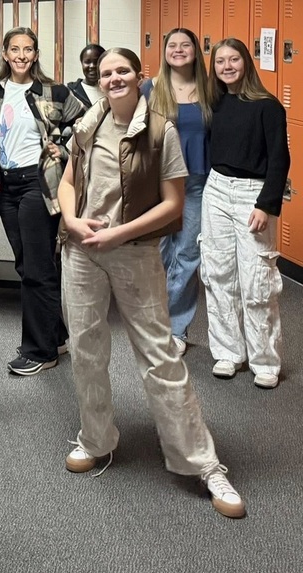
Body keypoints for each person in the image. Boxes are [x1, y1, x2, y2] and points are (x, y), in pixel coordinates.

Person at [57, 47, 245, 520]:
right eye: (106, 73)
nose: (114, 78)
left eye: (122, 70)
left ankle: (203, 463)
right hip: (82, 253)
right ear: (98, 80)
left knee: (160, 356)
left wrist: (118, 233)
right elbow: (67, 181)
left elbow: (173, 205)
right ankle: (96, 440)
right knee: (85, 350)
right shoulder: (88, 124)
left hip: (134, 253)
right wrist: (73, 221)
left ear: (139, 76)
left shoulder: (161, 129)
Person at [0, 27, 85, 376]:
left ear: (36, 54)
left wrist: (62, 149)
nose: (21, 55)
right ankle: (58, 335)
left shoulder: (55, 90)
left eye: (28, 49)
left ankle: (40, 350)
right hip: (5, 185)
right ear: (5, 53)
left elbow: (85, 125)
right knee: (26, 264)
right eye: (15, 49)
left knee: (37, 268)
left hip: (39, 182)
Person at [200, 38, 289, 388]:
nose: (226, 66)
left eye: (233, 59)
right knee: (218, 274)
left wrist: (266, 204)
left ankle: (265, 361)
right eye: (220, 61)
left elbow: (280, 160)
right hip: (217, 189)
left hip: (252, 194)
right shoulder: (215, 103)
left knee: (257, 279)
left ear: (246, 62)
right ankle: (228, 352)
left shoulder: (268, 106)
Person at [141, 29, 212, 356]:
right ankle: (154, 323)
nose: (179, 50)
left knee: (187, 255)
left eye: (186, 45)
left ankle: (176, 329)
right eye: (173, 45)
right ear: (164, 51)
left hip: (197, 183)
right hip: (159, 182)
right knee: (158, 255)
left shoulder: (211, 91)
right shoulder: (151, 89)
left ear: (196, 52)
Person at [67, 43, 105, 109]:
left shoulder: (111, 89)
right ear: (82, 63)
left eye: (96, 62)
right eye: (87, 62)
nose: (92, 66)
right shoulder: (71, 92)